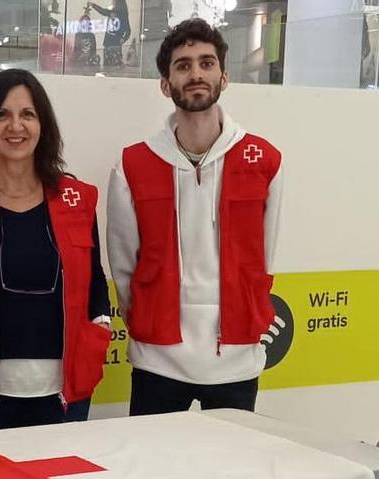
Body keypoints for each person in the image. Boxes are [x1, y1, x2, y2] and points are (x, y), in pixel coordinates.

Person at [107, 18, 283, 416]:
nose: (196, 73)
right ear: (166, 84)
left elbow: (263, 256)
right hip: (158, 357)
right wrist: (150, 320)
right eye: (183, 65)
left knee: (233, 474)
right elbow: (123, 265)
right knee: (155, 472)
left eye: (206, 63)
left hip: (236, 357)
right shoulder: (133, 163)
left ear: (225, 77)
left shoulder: (264, 160)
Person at [0, 69, 111, 433]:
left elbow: (94, 280)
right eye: (2, 114)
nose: (16, 126)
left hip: (65, 390)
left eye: (27, 114)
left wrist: (101, 327)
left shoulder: (78, 200)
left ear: (43, 125)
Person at [88, 0, 131, 68]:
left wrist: (123, 39)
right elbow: (102, 11)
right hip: (109, 43)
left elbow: (128, 30)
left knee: (112, 66)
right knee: (110, 66)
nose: (112, 3)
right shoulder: (113, 12)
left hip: (114, 44)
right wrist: (93, 5)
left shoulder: (122, 14)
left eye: (114, 2)